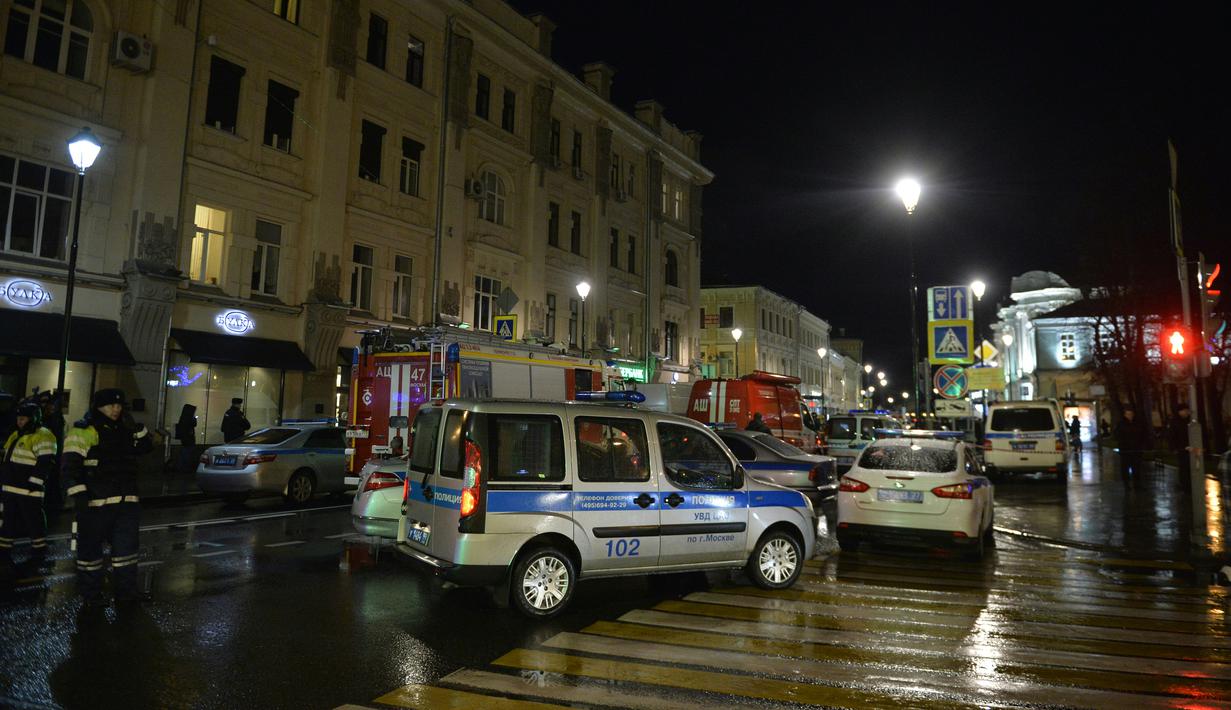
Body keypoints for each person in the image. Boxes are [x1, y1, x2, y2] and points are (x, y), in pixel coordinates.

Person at [62, 389, 153, 606]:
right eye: (111, 405)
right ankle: (91, 595)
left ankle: (126, 593)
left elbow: (146, 448)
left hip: (126, 502)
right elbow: (69, 466)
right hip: (95, 503)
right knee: (90, 554)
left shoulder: (125, 429)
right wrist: (79, 494)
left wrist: (138, 429)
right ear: (99, 406)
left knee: (126, 553)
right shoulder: (84, 431)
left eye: (119, 406)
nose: (116, 409)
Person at [0, 400, 57, 573]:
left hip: (29, 490)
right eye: (19, 418)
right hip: (10, 487)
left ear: (33, 418)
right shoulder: (17, 434)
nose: (20, 421)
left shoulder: (43, 435)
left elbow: (46, 462)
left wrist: (34, 483)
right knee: (6, 522)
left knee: (33, 522)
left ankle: (39, 552)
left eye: (24, 419)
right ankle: (3, 553)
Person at [1114, 407, 1148, 484]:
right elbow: (1117, 435)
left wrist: (1142, 445)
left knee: (1136, 467)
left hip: (1136, 449)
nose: (1129, 415)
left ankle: (1137, 483)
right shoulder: (1121, 424)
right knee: (1125, 467)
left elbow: (1143, 434)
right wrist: (1122, 444)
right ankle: (1126, 483)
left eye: (1131, 414)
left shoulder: (1138, 423)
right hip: (1125, 450)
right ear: (1125, 415)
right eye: (1128, 414)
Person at [1167, 404, 1192, 481]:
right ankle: (1184, 483)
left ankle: (1190, 483)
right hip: (1181, 448)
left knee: (1191, 467)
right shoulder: (1174, 422)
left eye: (1187, 410)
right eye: (1185, 410)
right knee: (1184, 467)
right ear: (1180, 412)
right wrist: (1173, 448)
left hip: (1191, 447)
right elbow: (1171, 435)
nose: (1187, 412)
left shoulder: (1190, 420)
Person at [174, 404, 198, 475]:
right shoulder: (189, 418)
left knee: (185, 453)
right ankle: (184, 468)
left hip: (185, 439)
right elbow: (194, 424)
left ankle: (181, 467)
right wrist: (195, 418)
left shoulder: (184, 417)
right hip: (188, 439)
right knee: (187, 453)